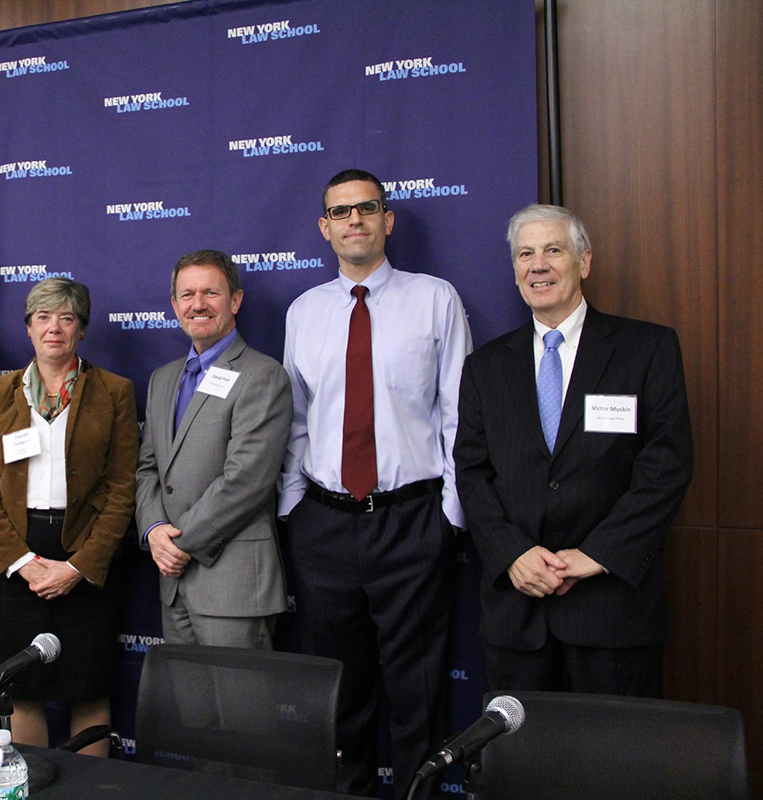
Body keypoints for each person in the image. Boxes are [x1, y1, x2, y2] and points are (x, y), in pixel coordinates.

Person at [278, 169, 472, 797]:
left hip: (412, 521)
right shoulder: (304, 312)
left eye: (367, 209)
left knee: (418, 691)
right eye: (340, 212)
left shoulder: (435, 298)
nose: (354, 220)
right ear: (324, 227)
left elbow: (458, 415)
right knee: (339, 691)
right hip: (325, 525)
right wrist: (296, 511)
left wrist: (448, 516)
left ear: (388, 220)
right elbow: (297, 421)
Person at [455, 204, 693, 696]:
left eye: (553, 250)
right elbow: (472, 474)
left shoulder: (646, 349)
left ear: (584, 262)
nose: (537, 265)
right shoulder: (485, 367)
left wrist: (595, 555)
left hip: (611, 609)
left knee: (613, 766)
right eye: (525, 253)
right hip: (517, 612)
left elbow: (666, 467)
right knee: (520, 766)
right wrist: (513, 553)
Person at [0, 278, 137, 757]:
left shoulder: (114, 392)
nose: (54, 328)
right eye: (43, 317)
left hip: (86, 555)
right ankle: (32, 783)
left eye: (66, 317)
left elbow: (123, 488)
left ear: (82, 329)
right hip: (15, 555)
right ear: (28, 329)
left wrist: (78, 566)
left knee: (88, 684)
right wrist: (21, 559)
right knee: (22, 687)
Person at [135, 249, 291, 649]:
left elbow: (246, 480)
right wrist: (153, 531)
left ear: (235, 301)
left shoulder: (262, 374)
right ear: (174, 306)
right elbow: (148, 468)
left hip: (233, 586)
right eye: (187, 295)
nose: (198, 305)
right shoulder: (163, 379)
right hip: (171, 583)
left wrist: (179, 544)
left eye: (211, 293)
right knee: (190, 711)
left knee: (241, 710)